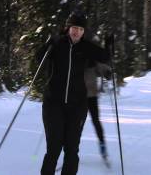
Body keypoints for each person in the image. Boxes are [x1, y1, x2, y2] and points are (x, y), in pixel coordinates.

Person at [35, 10, 109, 175]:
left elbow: (104, 57)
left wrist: (109, 46)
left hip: (77, 105)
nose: (77, 32)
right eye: (74, 27)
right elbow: (38, 59)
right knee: (54, 149)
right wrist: (48, 44)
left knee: (71, 150)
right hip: (53, 103)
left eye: (81, 29)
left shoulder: (85, 47)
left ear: (84, 32)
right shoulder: (58, 44)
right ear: (68, 27)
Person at [84, 61, 111, 159]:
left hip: (92, 97)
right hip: (79, 97)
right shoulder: (76, 59)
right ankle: (71, 150)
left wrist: (108, 72)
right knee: (77, 125)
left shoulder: (93, 61)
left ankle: (102, 144)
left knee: (96, 121)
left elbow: (103, 68)